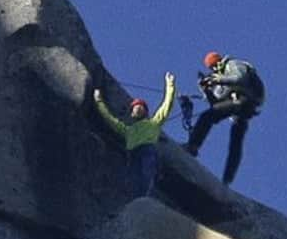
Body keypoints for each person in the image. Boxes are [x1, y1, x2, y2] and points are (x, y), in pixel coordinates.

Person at [183, 51, 265, 185]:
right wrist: (206, 90)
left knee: (206, 117)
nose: (214, 70)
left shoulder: (232, 64)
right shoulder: (222, 77)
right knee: (235, 143)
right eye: (212, 68)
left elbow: (240, 78)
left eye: (214, 66)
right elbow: (217, 104)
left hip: (244, 100)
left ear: (218, 61)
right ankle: (227, 181)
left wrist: (217, 80)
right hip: (241, 107)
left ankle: (192, 146)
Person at [93, 72, 176, 197]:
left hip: (147, 151)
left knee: (146, 175)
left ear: (146, 112)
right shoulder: (128, 130)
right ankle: (135, 201)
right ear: (132, 113)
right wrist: (98, 101)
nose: (138, 108)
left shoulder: (153, 123)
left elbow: (166, 106)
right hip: (132, 154)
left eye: (141, 107)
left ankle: (144, 198)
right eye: (136, 107)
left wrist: (170, 85)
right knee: (131, 179)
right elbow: (109, 119)